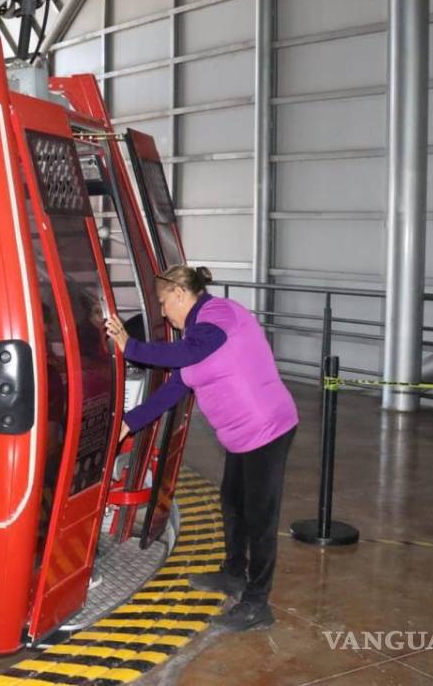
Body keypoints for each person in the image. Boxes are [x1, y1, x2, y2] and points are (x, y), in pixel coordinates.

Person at [104, 265, 298, 632]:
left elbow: (190, 351)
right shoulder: (194, 331)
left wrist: (131, 347)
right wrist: (129, 423)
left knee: (259, 517)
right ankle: (233, 574)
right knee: (232, 505)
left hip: (267, 429)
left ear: (180, 293)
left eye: (163, 303)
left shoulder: (218, 315)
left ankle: (257, 603)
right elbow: (176, 386)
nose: (162, 312)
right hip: (241, 436)